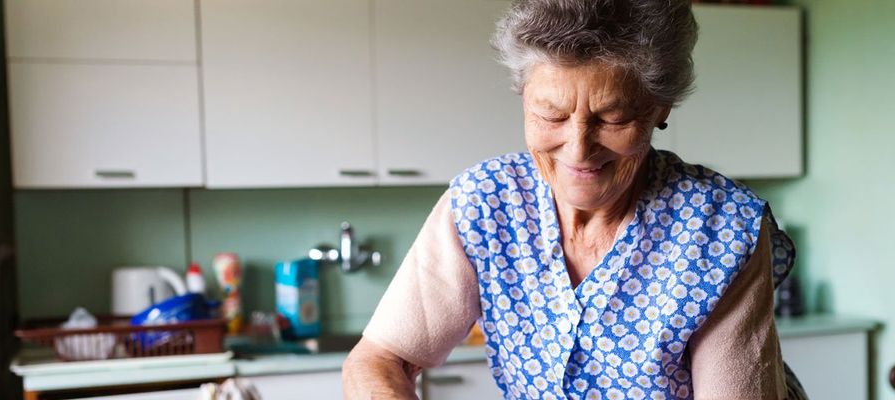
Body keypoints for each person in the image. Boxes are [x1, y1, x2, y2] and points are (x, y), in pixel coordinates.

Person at [343, 0, 806, 398]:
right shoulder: (485, 202)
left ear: (658, 108)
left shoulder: (721, 227)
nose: (579, 149)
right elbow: (381, 359)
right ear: (524, 98)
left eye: (612, 118)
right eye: (551, 115)